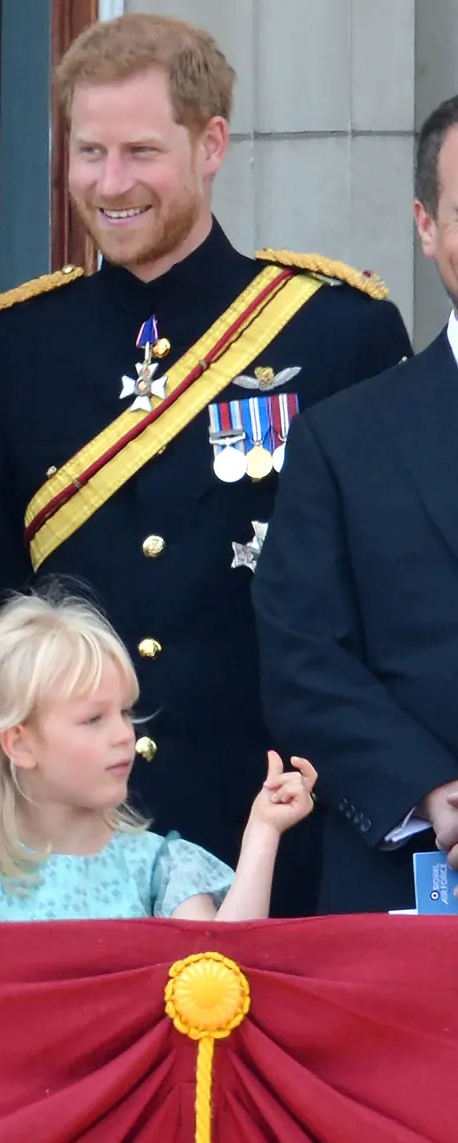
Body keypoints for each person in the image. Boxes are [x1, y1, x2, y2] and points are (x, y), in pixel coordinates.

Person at [0, 13, 411, 916]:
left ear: (211, 145)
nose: (109, 183)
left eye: (140, 152)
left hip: (282, 824)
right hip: (71, 852)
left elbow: (386, 603)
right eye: (89, 152)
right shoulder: (8, 350)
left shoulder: (337, 331)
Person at [252, 95, 458, 914]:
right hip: (410, 885)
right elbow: (301, 658)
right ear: (426, 225)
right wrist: (437, 793)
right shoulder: (346, 438)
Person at [0, 594, 316, 923]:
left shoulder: (159, 864)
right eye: (93, 720)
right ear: (20, 744)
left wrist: (263, 831)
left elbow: (222, 969)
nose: (125, 735)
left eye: (124, 712)